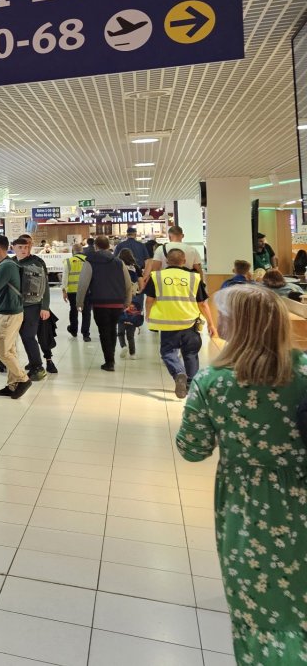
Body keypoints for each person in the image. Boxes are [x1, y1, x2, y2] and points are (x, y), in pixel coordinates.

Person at [175, 284, 307, 664]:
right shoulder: (303, 374)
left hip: (249, 504)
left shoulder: (213, 383)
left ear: (237, 325)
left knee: (258, 602)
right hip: (300, 490)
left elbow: (193, 449)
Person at [144, 247, 216, 398]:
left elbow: (150, 300)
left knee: (168, 353)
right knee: (190, 353)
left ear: (166, 261)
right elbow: (202, 304)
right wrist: (211, 323)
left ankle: (179, 374)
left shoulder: (157, 276)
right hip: (190, 323)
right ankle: (190, 386)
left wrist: (148, 315)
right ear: (184, 261)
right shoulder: (194, 278)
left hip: (167, 323)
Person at [75, 235, 133, 372]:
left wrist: (79, 301)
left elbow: (83, 284)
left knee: (104, 332)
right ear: (109, 246)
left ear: (95, 246)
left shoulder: (90, 261)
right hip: (117, 303)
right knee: (112, 330)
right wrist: (127, 301)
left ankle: (109, 361)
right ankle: (110, 359)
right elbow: (128, 284)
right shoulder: (119, 262)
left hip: (99, 303)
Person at [0, 235, 29, 398]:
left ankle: (23, 379)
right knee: (10, 349)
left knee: (1, 350)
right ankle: (12, 385)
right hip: (9, 312)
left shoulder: (5, 266)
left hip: (9, 313)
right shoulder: (7, 264)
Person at [12, 236, 52, 382]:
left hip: (33, 307)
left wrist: (45, 307)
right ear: (14, 247)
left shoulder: (37, 262)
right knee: (24, 336)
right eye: (20, 247)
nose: (24, 250)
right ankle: (33, 361)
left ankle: (38, 367)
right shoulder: (12, 262)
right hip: (17, 306)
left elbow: (45, 286)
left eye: (26, 247)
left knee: (29, 336)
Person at [115, 249, 143, 358]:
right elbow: (141, 282)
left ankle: (123, 346)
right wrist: (139, 292)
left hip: (120, 298)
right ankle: (133, 353)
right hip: (134, 298)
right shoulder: (135, 267)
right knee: (131, 324)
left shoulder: (117, 266)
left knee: (121, 323)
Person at [62, 240, 92, 342]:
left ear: (73, 251)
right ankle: (86, 334)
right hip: (86, 291)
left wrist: (64, 291)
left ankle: (74, 330)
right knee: (86, 312)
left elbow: (65, 277)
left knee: (73, 310)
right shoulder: (88, 260)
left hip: (72, 291)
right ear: (82, 250)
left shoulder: (68, 261)